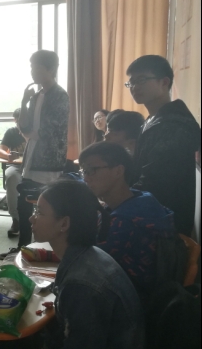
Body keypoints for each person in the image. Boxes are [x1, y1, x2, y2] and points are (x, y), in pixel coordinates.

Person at [30, 180, 144, 349]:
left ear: (64, 224)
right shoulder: (90, 254)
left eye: (39, 212)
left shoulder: (81, 285)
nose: (31, 218)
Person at [79, 141, 175, 299]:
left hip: (129, 303)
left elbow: (86, 260)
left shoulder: (126, 221)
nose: (86, 179)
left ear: (118, 171)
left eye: (91, 170)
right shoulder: (139, 198)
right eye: (83, 171)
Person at [0, 50, 69, 259]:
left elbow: (52, 129)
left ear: (50, 69)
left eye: (36, 67)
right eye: (31, 67)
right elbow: (24, 126)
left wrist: (31, 134)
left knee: (46, 207)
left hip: (49, 161)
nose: (32, 72)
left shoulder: (60, 95)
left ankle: (44, 252)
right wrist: (24, 101)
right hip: (31, 159)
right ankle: (23, 248)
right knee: (24, 204)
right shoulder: (37, 96)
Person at [126, 55, 201, 235]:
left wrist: (119, 198)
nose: (134, 87)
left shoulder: (175, 125)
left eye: (141, 80)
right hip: (149, 214)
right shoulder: (153, 120)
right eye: (131, 82)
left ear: (164, 82)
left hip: (164, 225)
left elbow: (156, 181)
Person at [0, 108, 26, 237]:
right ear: (15, 120)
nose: (22, 123)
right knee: (11, 177)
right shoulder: (11, 132)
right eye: (19, 120)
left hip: (34, 167)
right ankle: (16, 219)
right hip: (16, 166)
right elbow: (0, 151)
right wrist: (8, 156)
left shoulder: (38, 132)